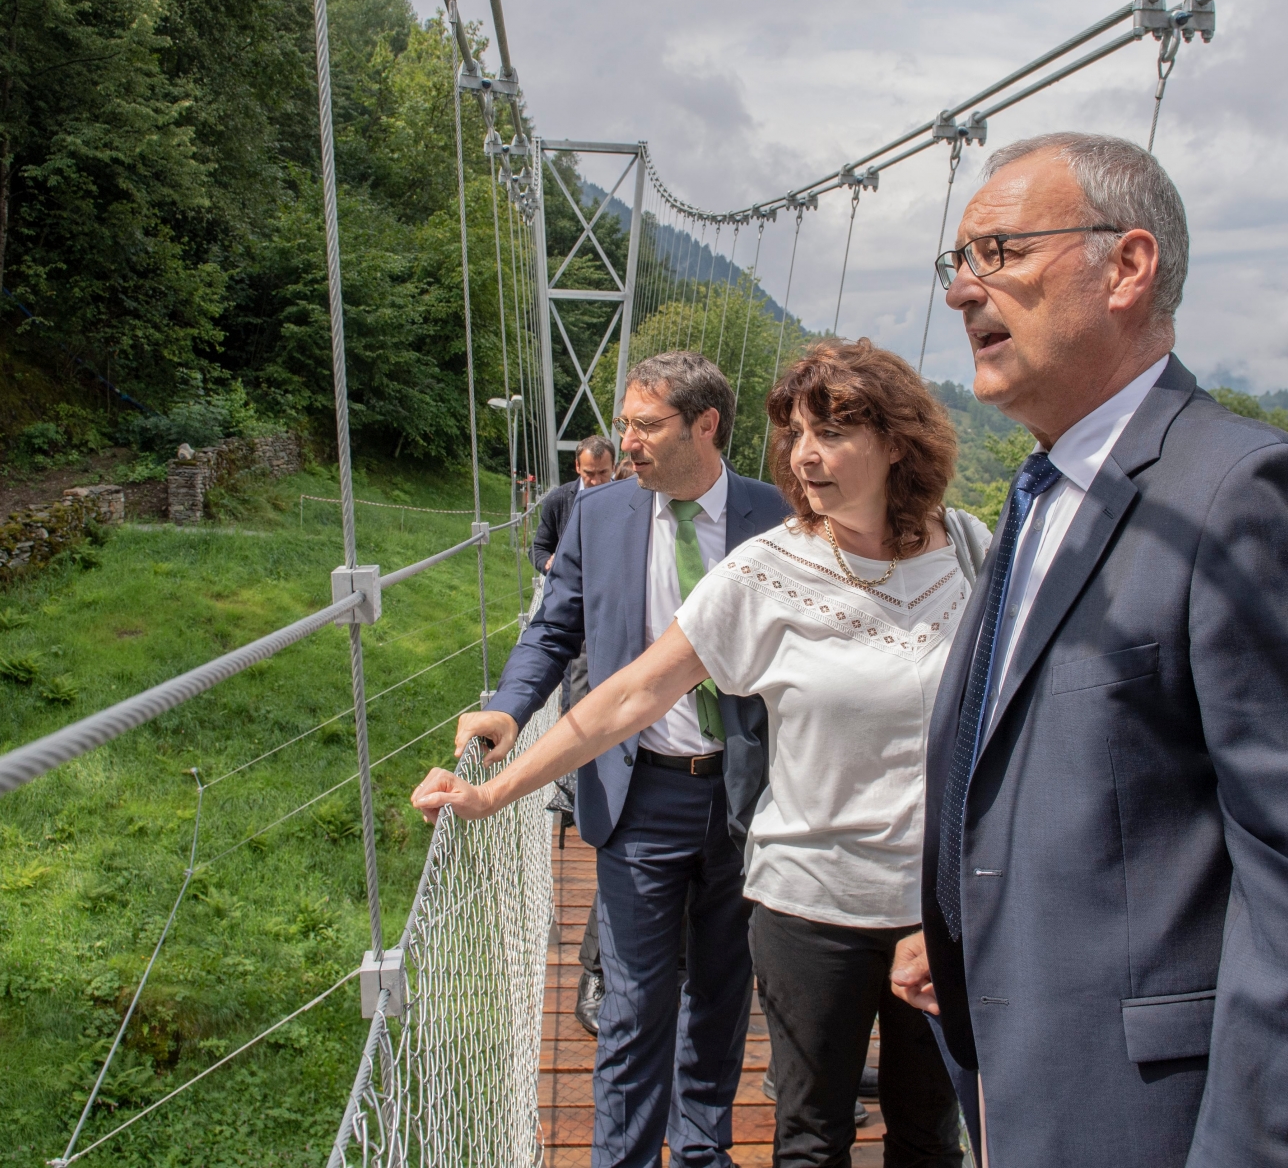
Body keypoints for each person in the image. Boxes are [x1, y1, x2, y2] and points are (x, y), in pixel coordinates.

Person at [888, 132, 1288, 1167]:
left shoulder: (1247, 494)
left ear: (1125, 267)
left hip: (1169, 1127)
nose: (962, 291)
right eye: (956, 261)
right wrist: (971, 936)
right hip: (1028, 1081)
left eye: (998, 252)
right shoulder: (1044, 491)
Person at [416, 338, 982, 1168]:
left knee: (925, 1128)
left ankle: (702, 1145)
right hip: (780, 873)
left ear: (898, 439)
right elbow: (627, 691)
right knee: (785, 1114)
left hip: (900, 884)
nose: (806, 454)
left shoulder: (970, 550)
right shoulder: (765, 566)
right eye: (794, 432)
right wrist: (493, 785)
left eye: (831, 431)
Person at [447, 351, 790, 1168]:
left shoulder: (776, 515)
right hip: (638, 792)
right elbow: (552, 629)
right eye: (625, 423)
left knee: (719, 991)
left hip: (749, 797)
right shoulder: (596, 517)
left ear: (704, 425)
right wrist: (508, 705)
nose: (625, 442)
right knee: (636, 1002)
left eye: (645, 425)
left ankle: (701, 1145)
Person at [529, 434, 620, 1033]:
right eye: (585, 475)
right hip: (586, 634)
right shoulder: (564, 503)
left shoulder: (640, 506)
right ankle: (600, 971)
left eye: (603, 474)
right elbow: (541, 554)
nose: (592, 483)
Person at [535, 435, 618, 573]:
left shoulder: (629, 501)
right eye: (589, 473)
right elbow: (539, 547)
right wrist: (548, 564)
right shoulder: (557, 500)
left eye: (603, 472)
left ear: (613, 466)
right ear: (577, 466)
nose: (596, 481)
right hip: (572, 588)